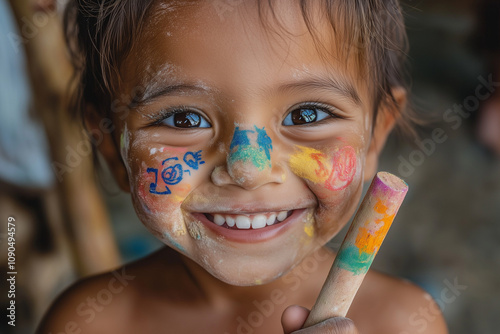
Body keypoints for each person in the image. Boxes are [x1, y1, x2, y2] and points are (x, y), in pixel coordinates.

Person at [37, 1, 448, 333]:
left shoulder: (405, 324)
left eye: (306, 115)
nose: (248, 170)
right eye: (183, 120)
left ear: (375, 136)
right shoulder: (86, 323)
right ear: (111, 146)